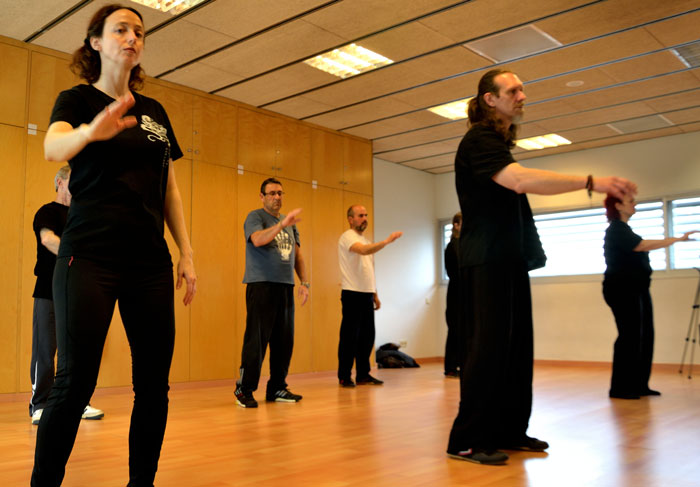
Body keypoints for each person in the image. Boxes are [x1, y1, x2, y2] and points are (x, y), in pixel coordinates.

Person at [32, 5, 197, 486]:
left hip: (149, 261)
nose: (132, 37)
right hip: (89, 257)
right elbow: (52, 147)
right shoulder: (77, 100)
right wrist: (89, 132)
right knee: (74, 383)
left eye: (138, 31)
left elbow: (169, 186)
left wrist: (186, 251)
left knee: (153, 387)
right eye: (120, 29)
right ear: (96, 43)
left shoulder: (155, 113)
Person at [447, 68, 637, 465]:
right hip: (485, 260)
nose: (522, 96)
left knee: (516, 348)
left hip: (509, 258)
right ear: (490, 99)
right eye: (513, 90)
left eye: (522, 90)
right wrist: (591, 181)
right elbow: (519, 180)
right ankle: (467, 440)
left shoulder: (498, 142)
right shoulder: (479, 140)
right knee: (486, 350)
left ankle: (509, 430)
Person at [29, 166, 104, 425]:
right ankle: (40, 405)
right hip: (48, 290)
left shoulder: (82, 216)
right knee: (45, 350)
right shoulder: (47, 212)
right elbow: (48, 240)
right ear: (60, 183)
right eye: (74, 182)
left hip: (77, 292)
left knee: (78, 353)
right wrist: (76, 254)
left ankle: (78, 402)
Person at [603, 194, 697, 399]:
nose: (634, 204)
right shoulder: (616, 230)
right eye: (630, 201)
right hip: (622, 289)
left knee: (645, 336)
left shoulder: (626, 230)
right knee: (630, 336)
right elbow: (641, 245)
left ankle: (639, 385)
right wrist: (677, 239)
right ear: (618, 205)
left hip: (638, 288)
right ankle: (621, 388)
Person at [234, 178, 309, 408]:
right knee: (256, 340)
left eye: (280, 193)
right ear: (262, 196)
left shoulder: (290, 224)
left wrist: (304, 282)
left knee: (284, 340)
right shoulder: (255, 217)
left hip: (285, 287)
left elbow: (297, 254)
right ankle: (244, 389)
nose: (277, 197)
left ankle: (277, 387)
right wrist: (281, 224)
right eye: (272, 193)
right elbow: (257, 240)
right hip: (261, 285)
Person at [337, 205, 402, 387]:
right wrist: (387, 241)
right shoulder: (347, 237)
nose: (364, 218)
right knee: (350, 337)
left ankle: (363, 375)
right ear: (350, 219)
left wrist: (375, 294)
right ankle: (344, 375)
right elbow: (363, 250)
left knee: (367, 337)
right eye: (360, 215)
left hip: (366, 294)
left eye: (366, 215)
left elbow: (369, 270)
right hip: (352, 293)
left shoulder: (365, 239)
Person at [444, 212, 462, 378]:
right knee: (455, 329)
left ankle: (462, 364)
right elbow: (453, 273)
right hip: (457, 292)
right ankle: (450, 367)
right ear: (456, 225)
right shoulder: (452, 246)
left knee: (465, 330)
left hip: (465, 292)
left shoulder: (465, 245)